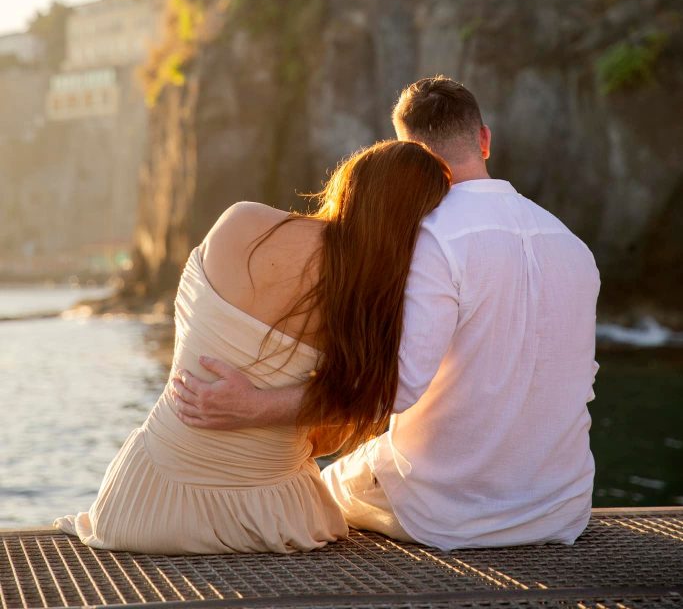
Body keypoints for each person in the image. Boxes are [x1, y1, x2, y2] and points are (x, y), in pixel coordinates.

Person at [172, 76, 601, 551]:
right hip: (561, 509)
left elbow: (391, 390)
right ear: (484, 139)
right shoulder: (572, 245)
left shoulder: (429, 239)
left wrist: (256, 407)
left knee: (315, 491)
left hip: (447, 516)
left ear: (410, 157)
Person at [53, 139, 452, 554]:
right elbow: (327, 438)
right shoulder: (372, 305)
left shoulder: (241, 221)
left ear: (350, 182)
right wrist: (267, 408)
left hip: (137, 503)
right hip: (268, 518)